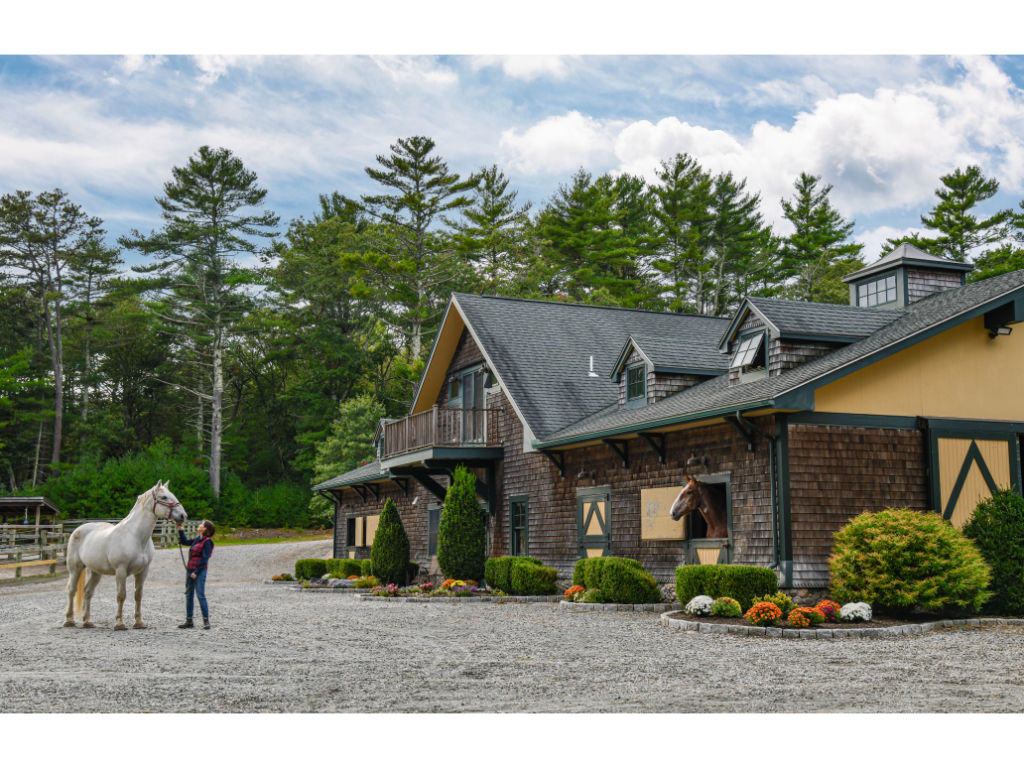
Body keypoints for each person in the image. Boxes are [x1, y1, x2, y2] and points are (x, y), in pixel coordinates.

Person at [176, 519, 215, 629]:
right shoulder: (198, 539)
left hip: (199, 572)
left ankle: (206, 621)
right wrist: (180, 530)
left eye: (202, 525)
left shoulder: (207, 541)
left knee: (200, 595)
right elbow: (184, 541)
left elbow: (205, 558)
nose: (200, 525)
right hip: (190, 570)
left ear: (205, 529)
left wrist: (196, 572)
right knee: (189, 595)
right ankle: (189, 621)